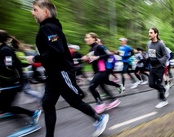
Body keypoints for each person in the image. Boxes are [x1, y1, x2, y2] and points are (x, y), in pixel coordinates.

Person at [26, 1, 109, 136]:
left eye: (35, 10)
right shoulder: (48, 28)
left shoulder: (48, 28)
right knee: (47, 104)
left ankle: (99, 118)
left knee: (74, 101)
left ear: (45, 12)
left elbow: (56, 51)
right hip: (53, 74)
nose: (32, 13)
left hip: (61, 71)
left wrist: (36, 59)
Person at [0, 29, 42, 126]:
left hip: (12, 83)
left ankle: (32, 114)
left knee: (5, 107)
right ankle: (29, 115)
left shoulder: (5, 50)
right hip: (7, 83)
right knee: (5, 106)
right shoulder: (3, 49)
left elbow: (8, 66)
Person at [82, 32, 122, 113]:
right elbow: (91, 61)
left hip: (102, 70)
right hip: (97, 71)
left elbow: (108, 55)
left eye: (88, 37)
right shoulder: (91, 49)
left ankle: (100, 103)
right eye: (86, 38)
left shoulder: (99, 47)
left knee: (91, 87)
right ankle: (113, 100)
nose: (86, 39)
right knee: (102, 86)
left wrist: (97, 57)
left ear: (94, 38)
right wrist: (87, 59)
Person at [147, 28, 169, 108]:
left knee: (158, 84)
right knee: (151, 84)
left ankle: (163, 100)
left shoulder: (160, 44)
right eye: (149, 33)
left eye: (151, 33)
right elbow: (149, 55)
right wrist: (145, 61)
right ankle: (163, 89)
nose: (149, 34)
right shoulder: (148, 44)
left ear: (156, 34)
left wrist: (160, 61)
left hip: (160, 67)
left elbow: (166, 55)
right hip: (152, 67)